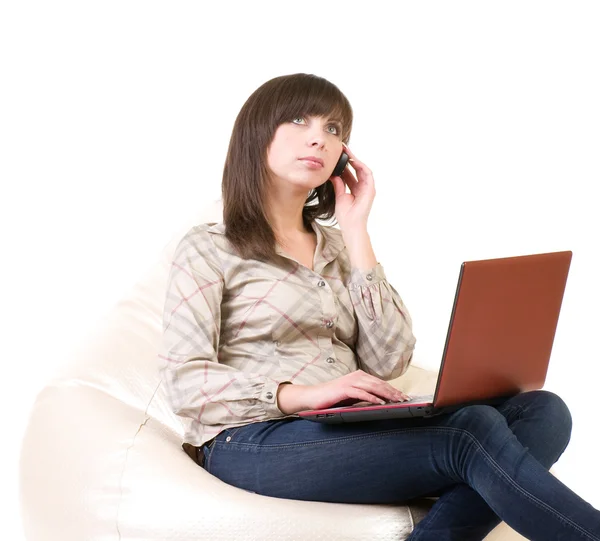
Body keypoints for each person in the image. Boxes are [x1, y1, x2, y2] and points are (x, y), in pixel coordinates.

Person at [158, 73, 600, 541]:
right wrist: (305, 393)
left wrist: (355, 229)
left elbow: (389, 359)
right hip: (250, 438)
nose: (319, 137)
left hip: (340, 427)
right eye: (297, 120)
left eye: (334, 129)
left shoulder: (340, 246)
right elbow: (183, 378)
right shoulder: (211, 246)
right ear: (255, 134)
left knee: (542, 411)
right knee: (470, 433)